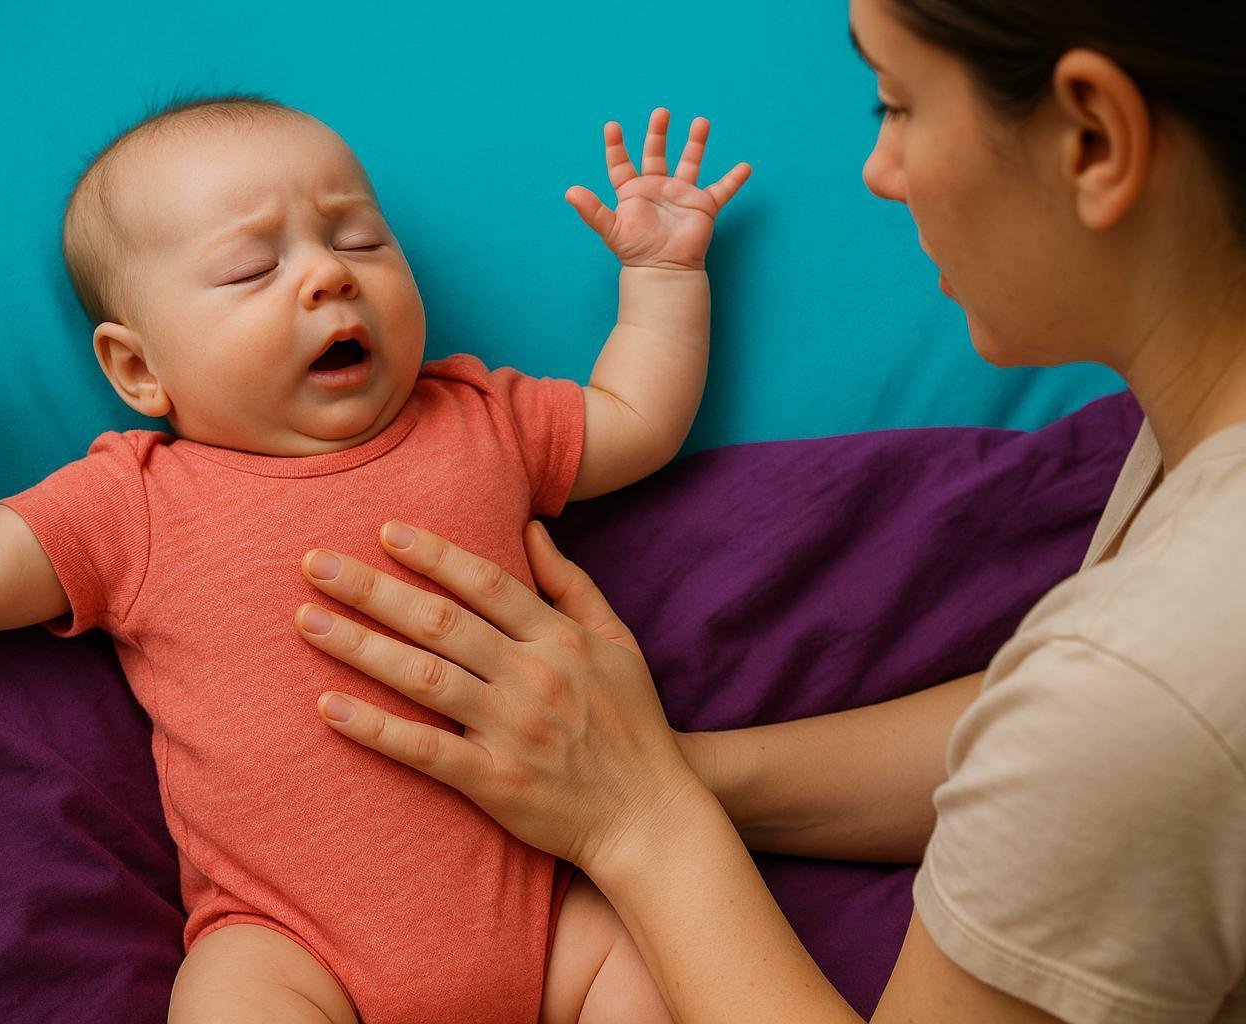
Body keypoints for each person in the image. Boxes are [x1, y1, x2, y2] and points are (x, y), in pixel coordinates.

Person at [288, 1, 1246, 1021]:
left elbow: (1113, 727)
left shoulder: (1152, 669)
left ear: (1094, 138)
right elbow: (1050, 762)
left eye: (898, 105)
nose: (880, 170)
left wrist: (638, 820)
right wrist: (652, 768)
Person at [0, 98, 753, 1023]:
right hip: (293, 944)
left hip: (551, 903)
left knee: (655, 960)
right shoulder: (134, 501)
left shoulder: (478, 418)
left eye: (359, 239)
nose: (331, 274)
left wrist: (663, 276)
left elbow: (635, 418)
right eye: (250, 269)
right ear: (138, 367)